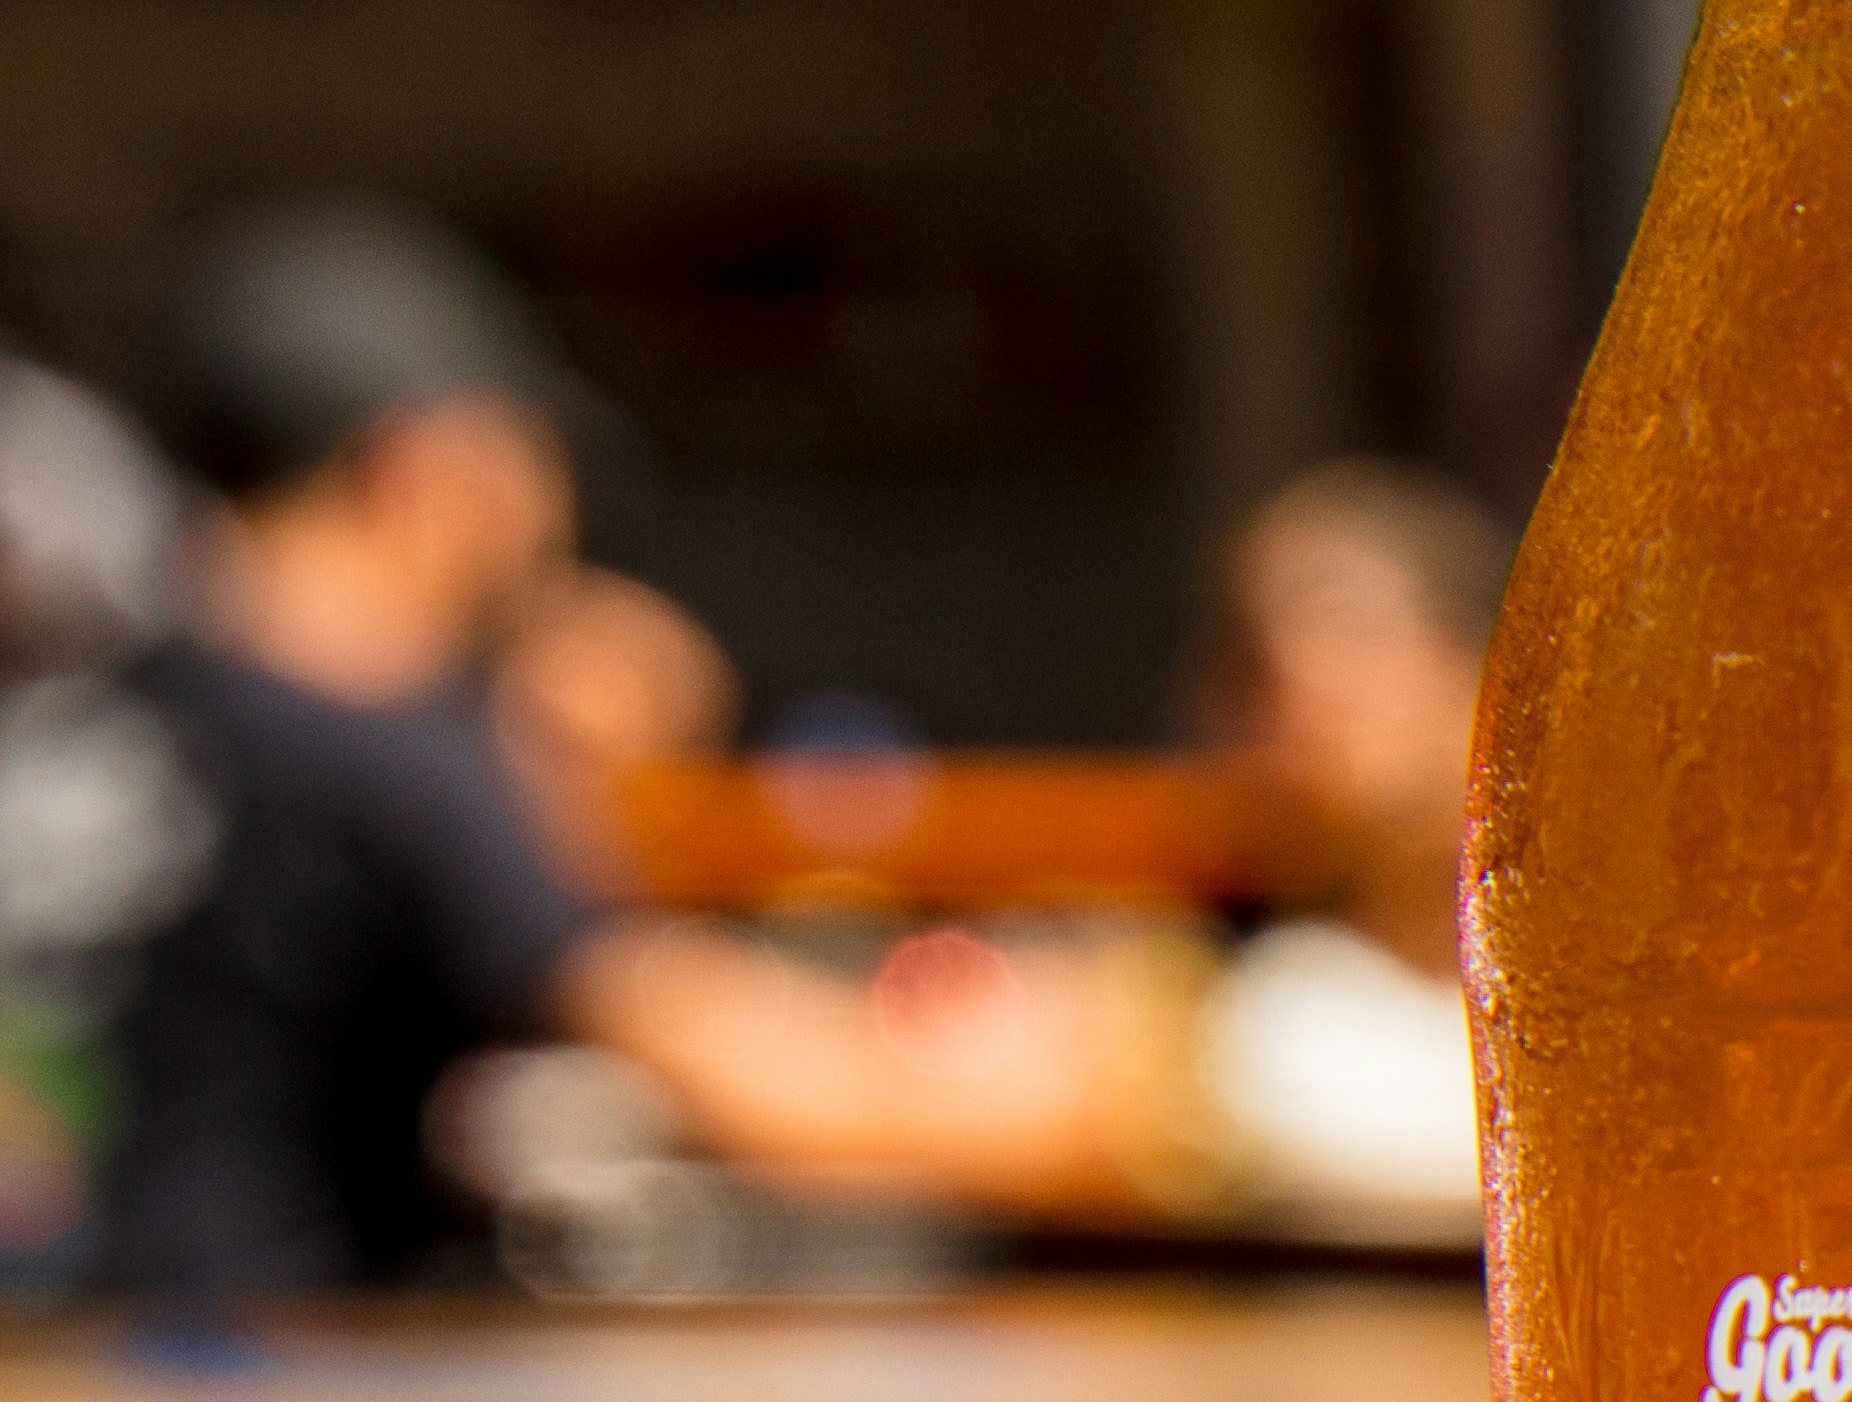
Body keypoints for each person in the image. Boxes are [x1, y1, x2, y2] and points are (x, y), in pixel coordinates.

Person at [87, 201, 1105, 1303]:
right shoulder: (383, 758)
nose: (552, 519)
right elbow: (788, 1098)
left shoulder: (105, 711)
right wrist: (1101, 1072)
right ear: (428, 470)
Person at [1178, 461, 1497, 1233]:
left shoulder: (1622, 986)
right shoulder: (1232, 1002)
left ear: (1477, 652)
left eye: (1347, 623)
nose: (1304, 675)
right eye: (1254, 655)